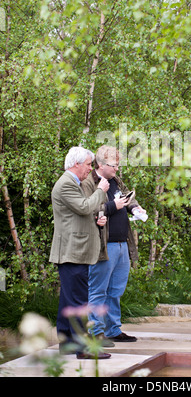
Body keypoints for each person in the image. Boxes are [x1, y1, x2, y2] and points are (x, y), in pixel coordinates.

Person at [49, 146, 111, 359]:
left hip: (75, 251)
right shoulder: (66, 184)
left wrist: (98, 220)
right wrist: (101, 190)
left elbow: (80, 214)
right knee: (78, 302)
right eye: (87, 164)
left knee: (68, 301)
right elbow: (84, 207)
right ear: (76, 164)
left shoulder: (72, 183)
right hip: (71, 251)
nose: (90, 169)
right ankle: (82, 349)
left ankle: (66, 344)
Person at [81, 145, 146, 344]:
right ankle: (95, 332)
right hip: (103, 245)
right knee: (98, 289)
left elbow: (128, 196)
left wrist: (135, 208)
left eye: (118, 165)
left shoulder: (115, 180)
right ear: (100, 164)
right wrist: (112, 206)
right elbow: (87, 209)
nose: (117, 169)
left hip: (121, 244)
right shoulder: (88, 182)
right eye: (113, 165)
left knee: (116, 289)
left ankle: (113, 329)